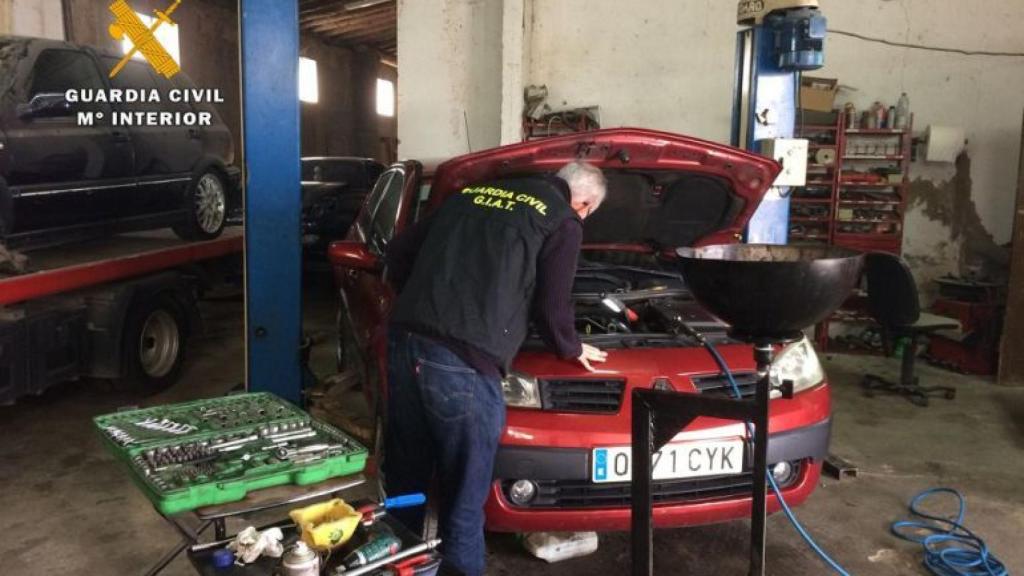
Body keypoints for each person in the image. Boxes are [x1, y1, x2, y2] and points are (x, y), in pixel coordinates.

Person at [382, 160, 608, 575]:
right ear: (585, 203)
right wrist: (571, 346)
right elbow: (551, 306)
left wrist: (424, 301)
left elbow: (397, 254)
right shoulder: (562, 220)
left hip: (405, 341)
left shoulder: (466, 197)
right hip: (464, 364)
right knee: (465, 497)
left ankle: (399, 562)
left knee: (404, 476)